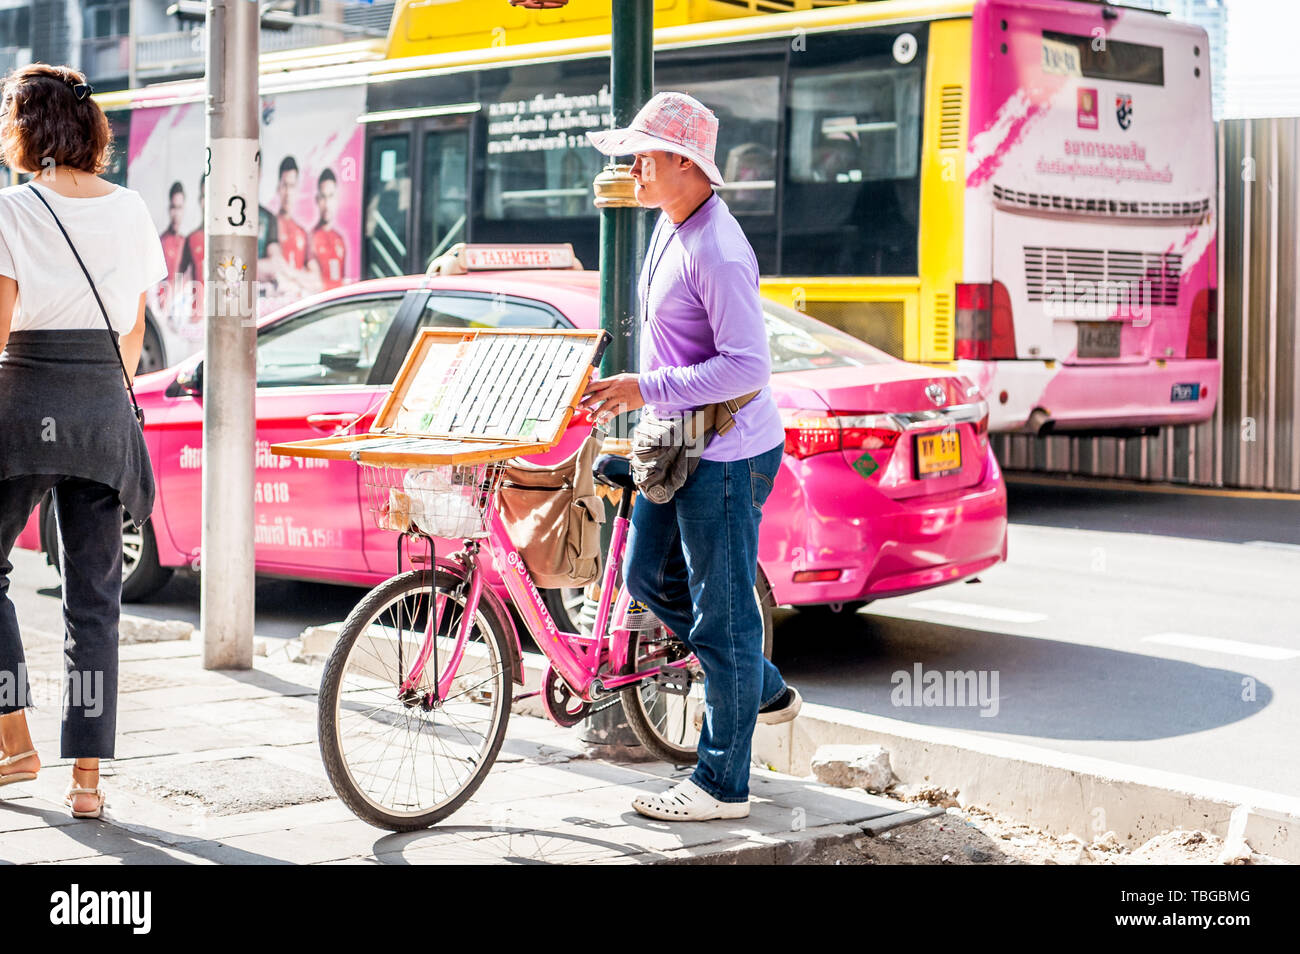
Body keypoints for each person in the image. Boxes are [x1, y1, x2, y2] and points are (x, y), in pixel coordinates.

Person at [582, 91, 801, 822]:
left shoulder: (718, 248)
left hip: (729, 454)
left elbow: (748, 368)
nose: (634, 165)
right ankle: (760, 684)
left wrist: (642, 386)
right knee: (647, 576)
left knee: (723, 617)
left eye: (646, 153)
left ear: (687, 162)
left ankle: (720, 785)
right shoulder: (668, 226)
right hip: (679, 442)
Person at [0, 64, 167, 819]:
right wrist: (98, 394)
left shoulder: (12, 210)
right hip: (103, 405)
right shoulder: (131, 209)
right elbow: (132, 331)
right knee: (93, 599)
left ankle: (14, 739)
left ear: (24, 129)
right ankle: (88, 781)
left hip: (25, 403)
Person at [309, 168, 346, 290]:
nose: (327, 203)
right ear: (317, 200)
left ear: (337, 199)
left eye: (331, 196)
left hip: (337, 302)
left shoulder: (340, 240)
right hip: (321, 303)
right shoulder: (310, 238)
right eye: (323, 197)